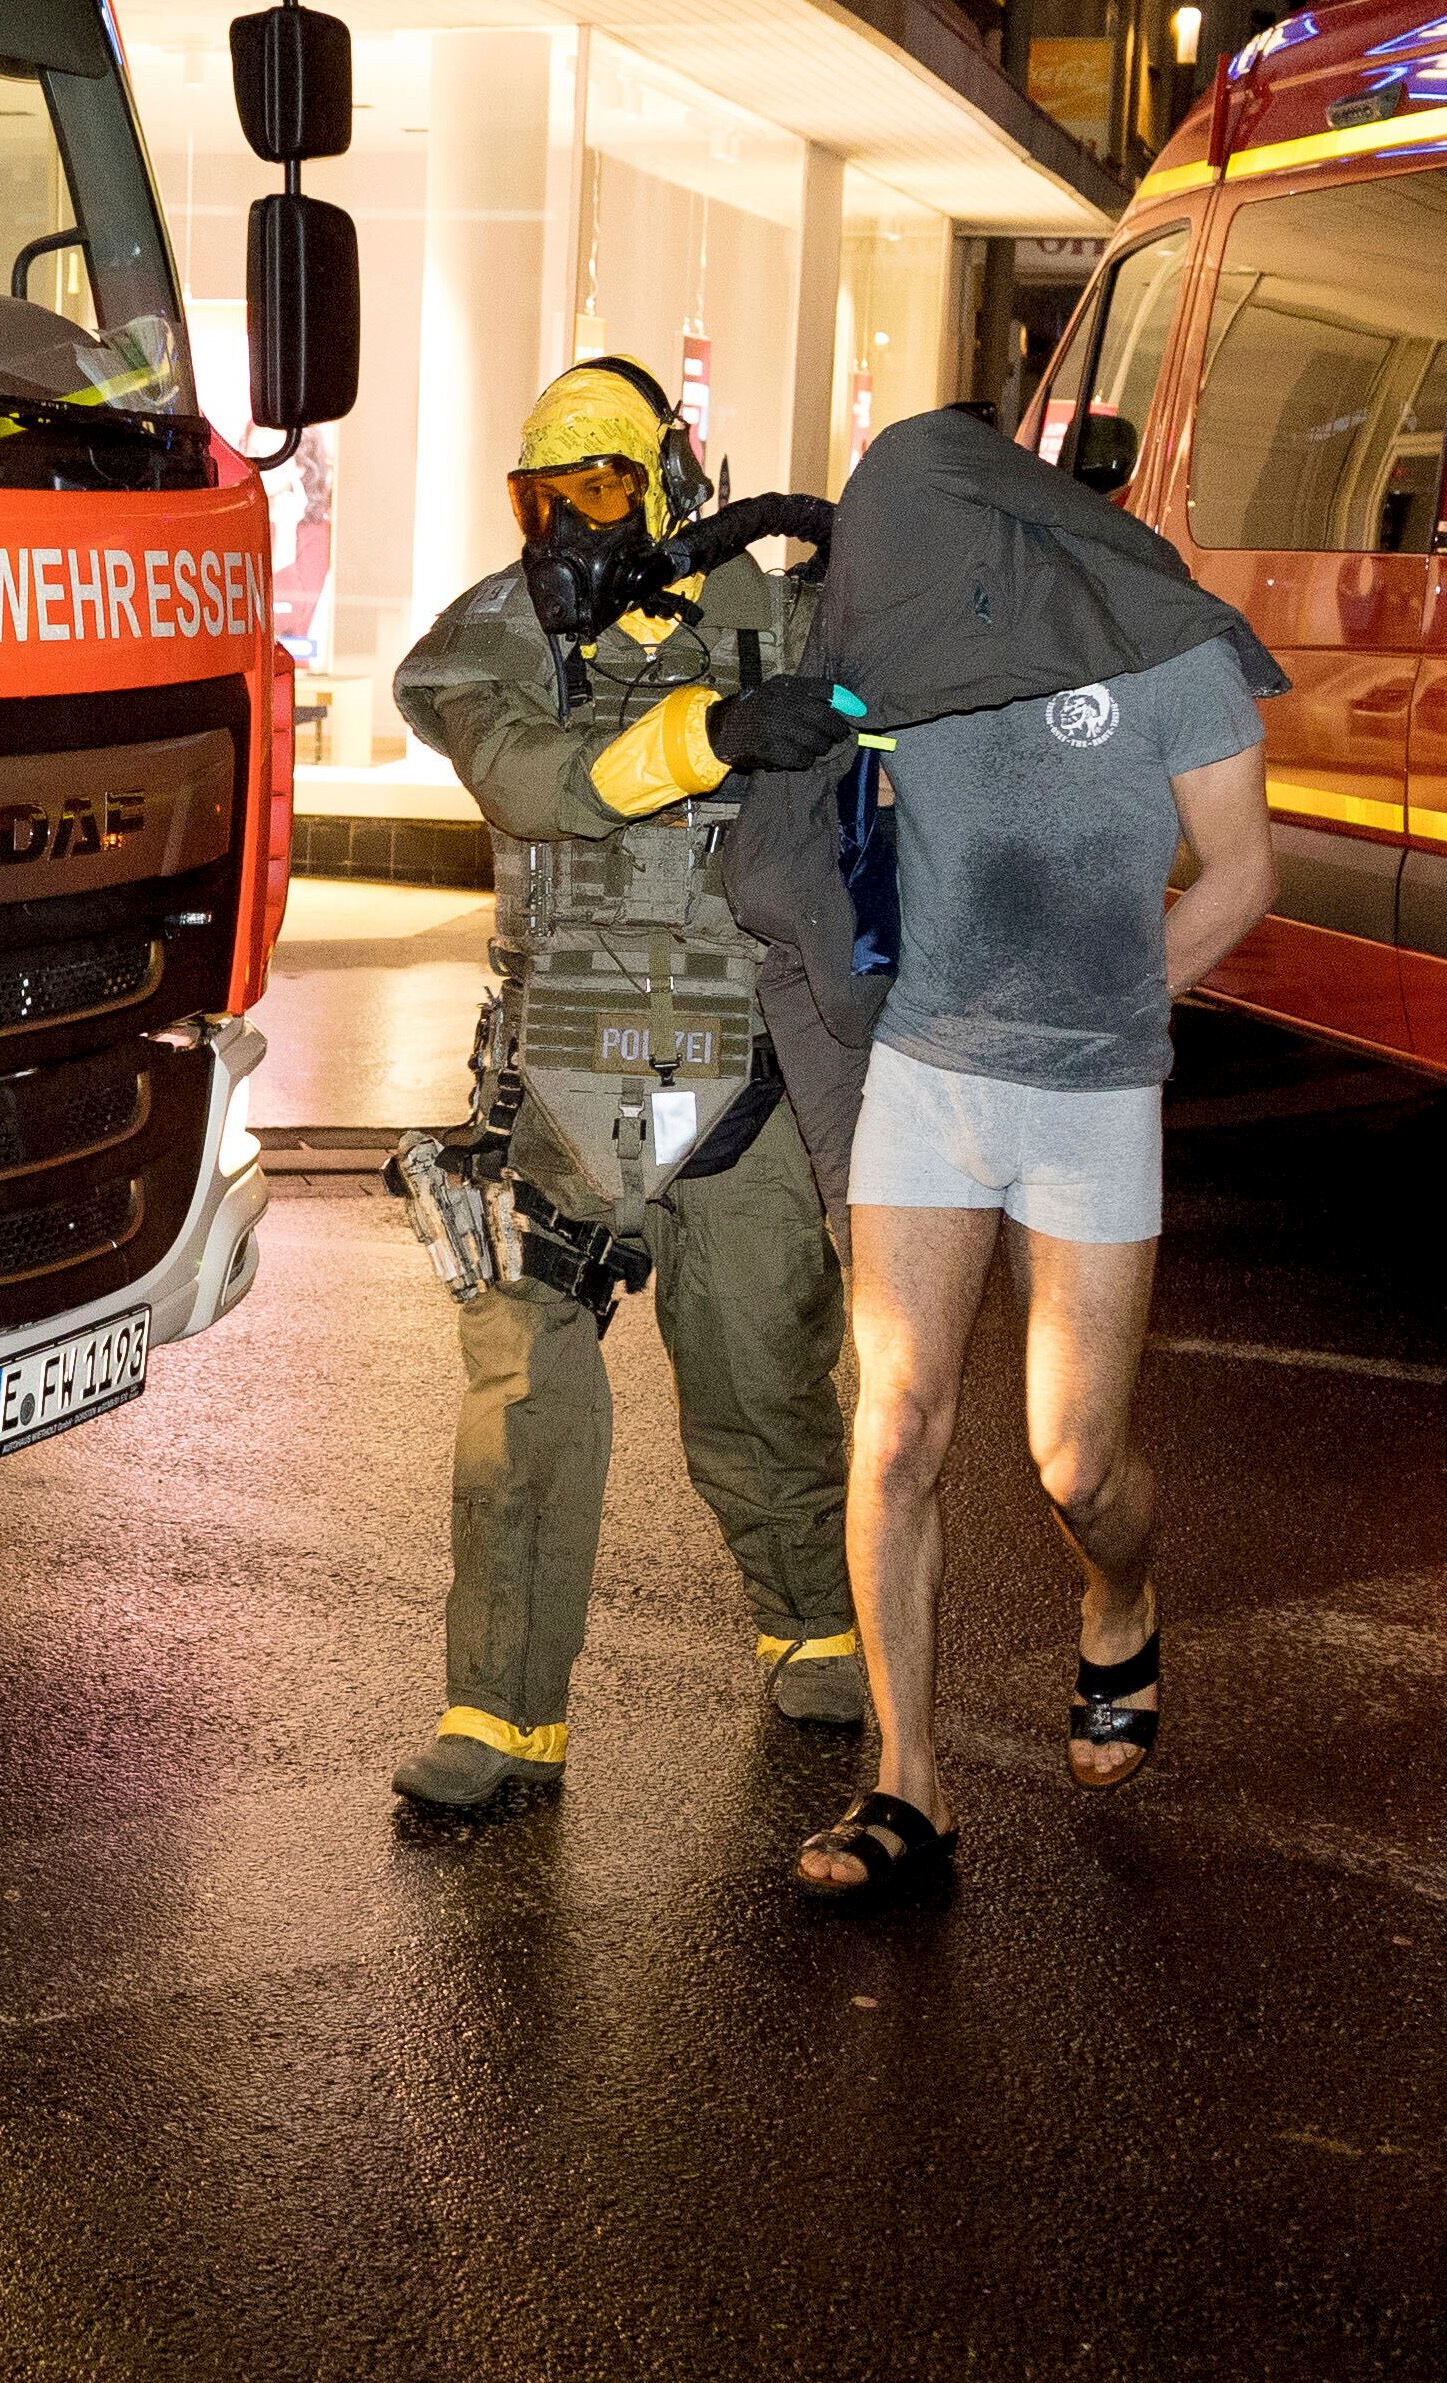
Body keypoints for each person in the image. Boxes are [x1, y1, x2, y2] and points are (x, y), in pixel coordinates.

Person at [782, 408, 1284, 1898]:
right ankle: (905, 1792)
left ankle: (1121, 1596)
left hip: (1093, 1095)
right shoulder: (905, 655)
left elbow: (1246, 872)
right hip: (928, 1076)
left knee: (1073, 1460)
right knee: (897, 1423)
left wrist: (1126, 1002)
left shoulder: (1164, 645)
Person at [382, 357, 876, 1814]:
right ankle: (500, 1721)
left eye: (599, 490)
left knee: (764, 1391)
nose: (568, 529)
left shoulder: (774, 615)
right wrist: (716, 733)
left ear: (669, 483)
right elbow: (532, 781)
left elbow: (890, 711)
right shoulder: (498, 636)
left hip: (745, 1090)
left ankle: (820, 1635)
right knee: (521, 1407)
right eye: (544, 496)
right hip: (560, 1098)